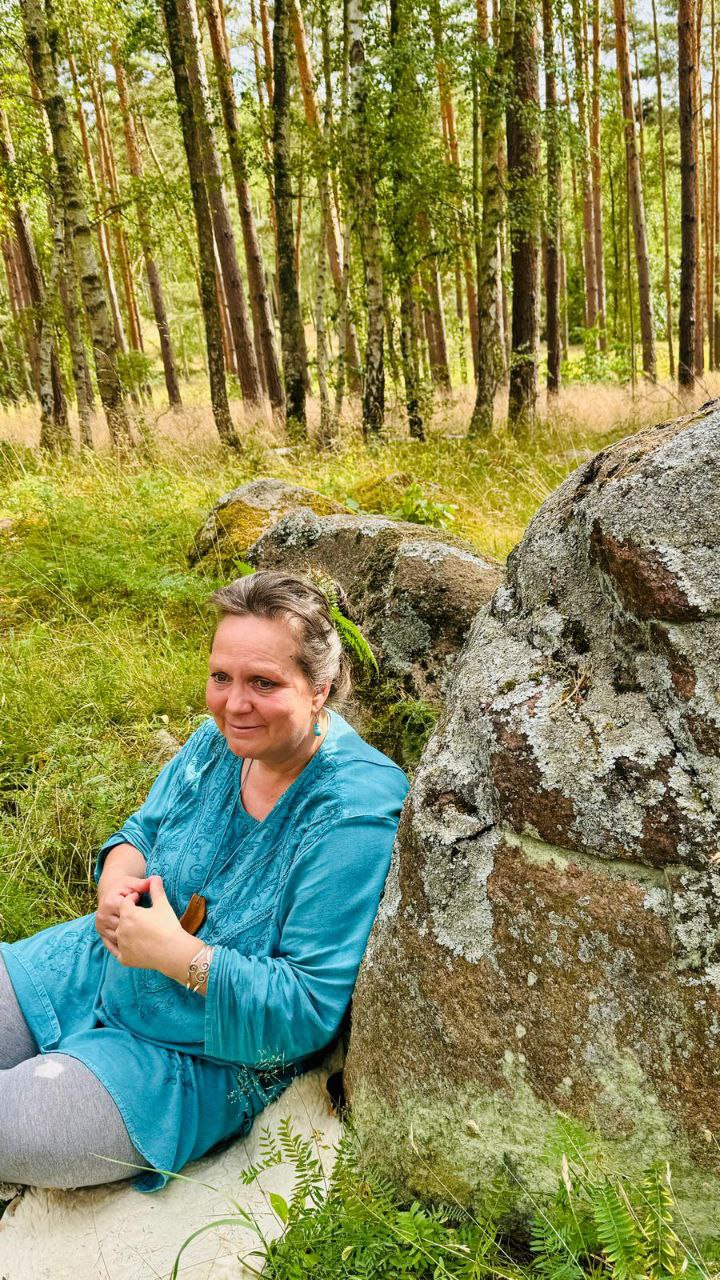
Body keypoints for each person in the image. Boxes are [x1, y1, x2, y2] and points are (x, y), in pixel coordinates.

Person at [0, 572, 408, 1193]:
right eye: (222, 677)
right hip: (91, 964)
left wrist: (175, 955)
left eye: (264, 683)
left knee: (16, 1126)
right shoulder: (220, 741)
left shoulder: (352, 811)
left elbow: (307, 1011)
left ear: (320, 689)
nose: (233, 704)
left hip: (195, 1054)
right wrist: (117, 882)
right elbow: (141, 831)